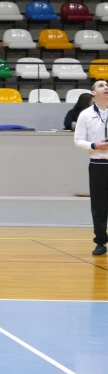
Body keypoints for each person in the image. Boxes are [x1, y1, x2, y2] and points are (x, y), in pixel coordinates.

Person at [74, 79, 108, 256]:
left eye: (107, 85)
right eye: (101, 85)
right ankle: (101, 241)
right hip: (98, 164)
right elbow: (78, 141)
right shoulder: (85, 114)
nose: (106, 87)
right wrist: (95, 146)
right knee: (99, 205)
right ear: (93, 93)